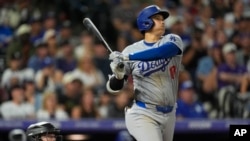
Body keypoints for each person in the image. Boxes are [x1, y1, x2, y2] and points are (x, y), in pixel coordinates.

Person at [106, 5, 183, 141]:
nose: (163, 21)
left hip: (170, 113)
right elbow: (114, 87)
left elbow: (160, 53)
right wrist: (118, 75)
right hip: (144, 113)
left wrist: (128, 58)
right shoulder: (130, 50)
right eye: (158, 18)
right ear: (146, 22)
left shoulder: (172, 40)